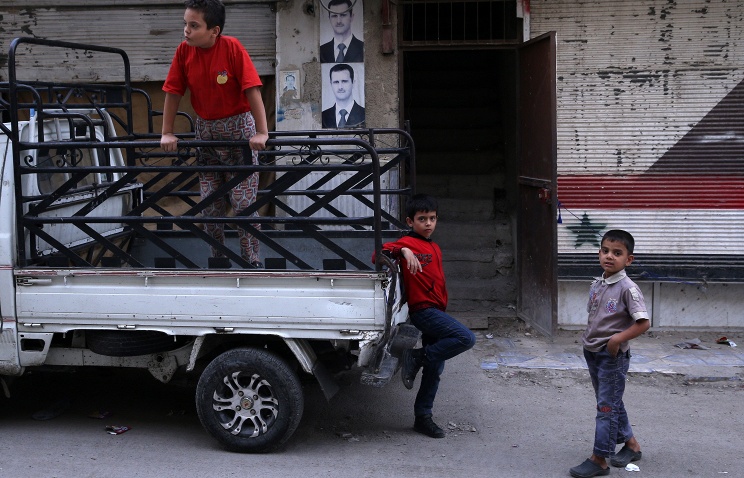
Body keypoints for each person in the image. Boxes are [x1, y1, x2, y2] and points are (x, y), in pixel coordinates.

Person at [160, 0, 268, 268]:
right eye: (185, 24)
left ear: (214, 31)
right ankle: (218, 261)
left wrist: (262, 132)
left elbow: (252, 89)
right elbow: (173, 92)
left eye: (193, 26)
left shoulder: (231, 48)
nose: (186, 31)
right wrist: (167, 132)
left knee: (243, 205)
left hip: (239, 132)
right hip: (206, 134)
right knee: (210, 206)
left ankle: (251, 262)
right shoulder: (184, 52)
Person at [372, 194, 476, 438]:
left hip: (437, 310)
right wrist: (404, 250)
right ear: (410, 221)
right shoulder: (407, 243)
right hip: (423, 311)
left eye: (432, 218)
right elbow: (377, 255)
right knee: (466, 338)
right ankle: (415, 357)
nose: (428, 223)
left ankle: (423, 417)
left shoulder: (434, 246)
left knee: (434, 368)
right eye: (422, 219)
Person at [569, 229, 650, 478]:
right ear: (599, 253)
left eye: (617, 253)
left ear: (629, 259)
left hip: (610, 356)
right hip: (592, 351)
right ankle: (632, 445)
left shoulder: (628, 288)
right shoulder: (598, 283)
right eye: (605, 251)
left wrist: (617, 340)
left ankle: (599, 458)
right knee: (610, 402)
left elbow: (643, 322)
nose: (609, 257)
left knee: (606, 407)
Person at [321, 63, 365, 128]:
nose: (340, 87)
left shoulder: (363, 114)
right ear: (331, 84)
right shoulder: (323, 116)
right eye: (336, 82)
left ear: (353, 83)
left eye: (344, 81)